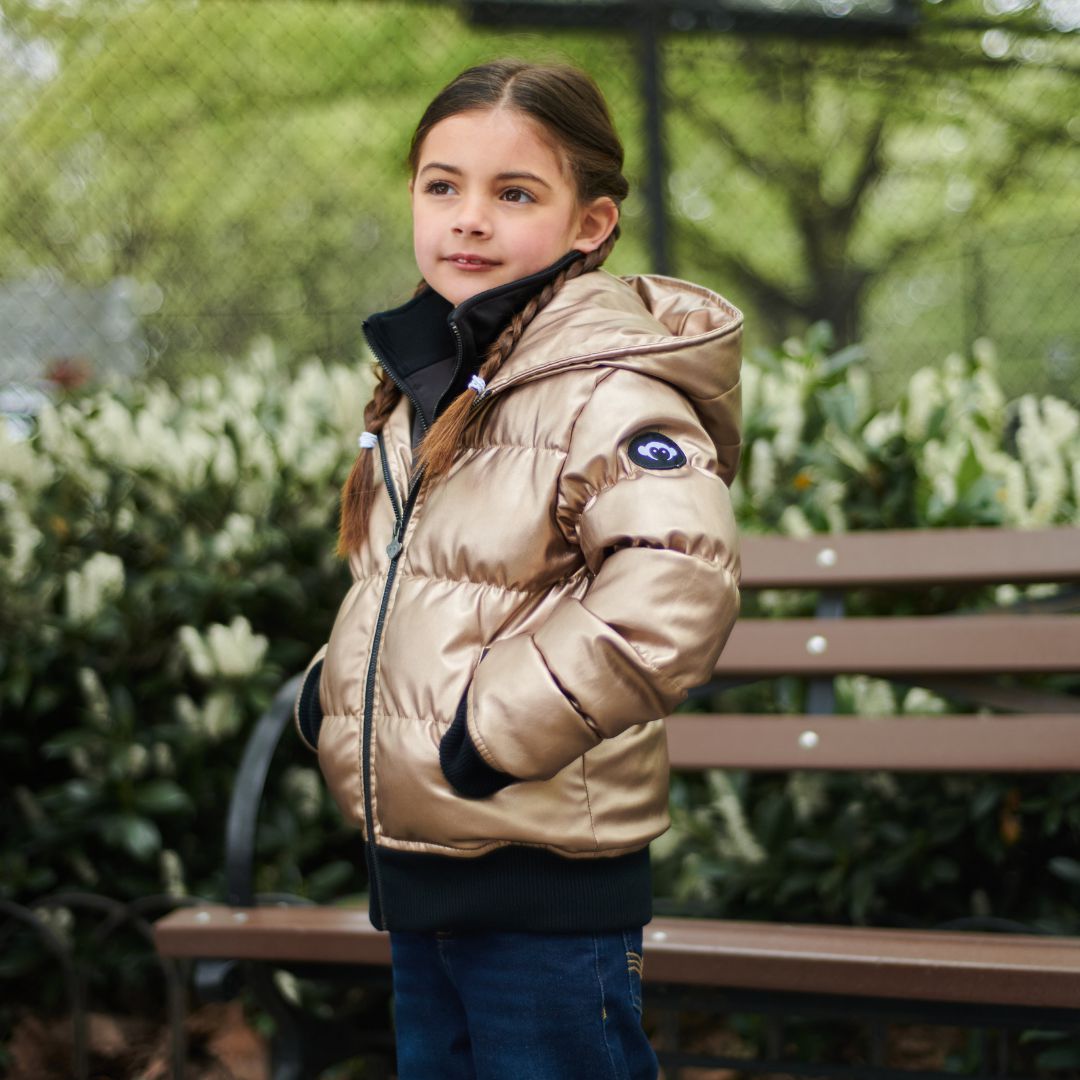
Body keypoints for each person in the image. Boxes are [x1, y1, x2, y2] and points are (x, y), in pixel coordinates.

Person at [294, 58, 742, 1080]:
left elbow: (678, 583)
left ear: (590, 223)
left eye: (515, 193)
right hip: (425, 860)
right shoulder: (434, 379)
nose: (469, 218)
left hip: (543, 869)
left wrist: (493, 731)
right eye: (442, 185)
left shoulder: (606, 387)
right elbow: (421, 581)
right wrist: (333, 694)